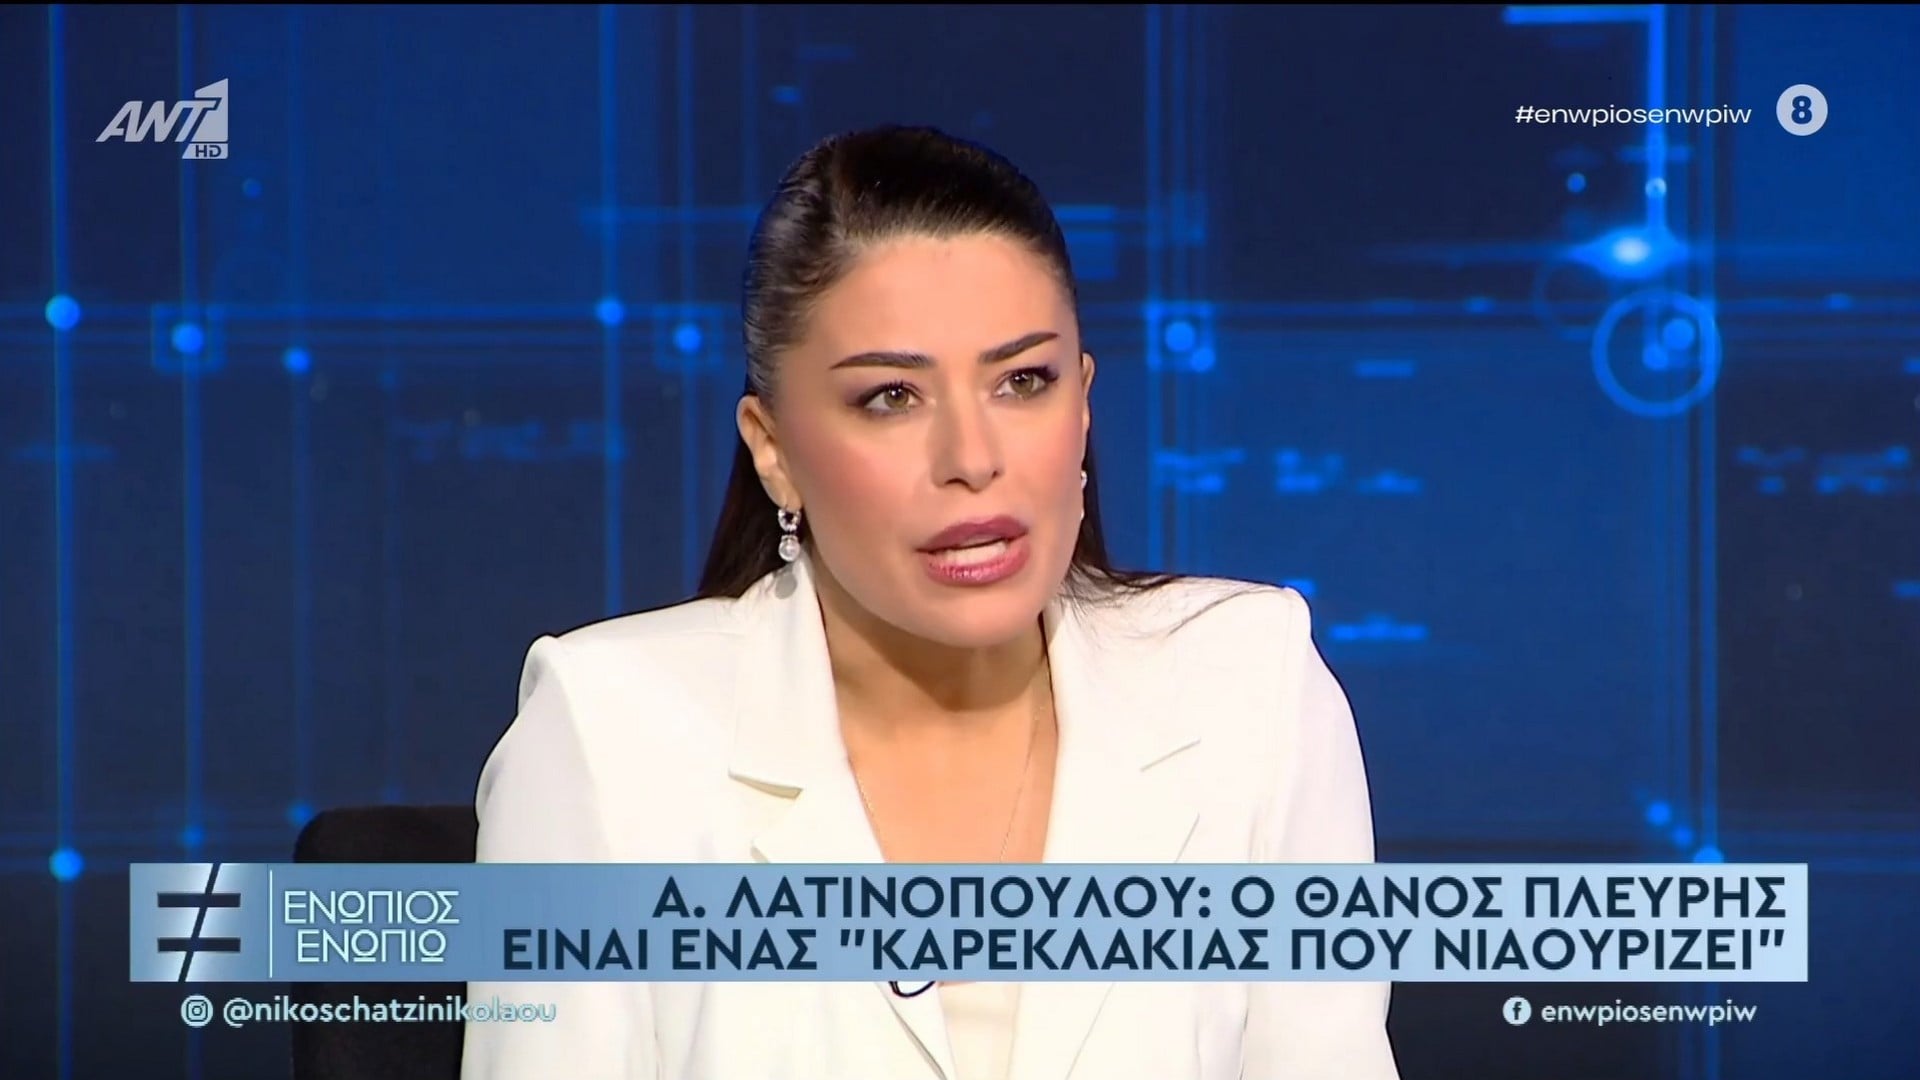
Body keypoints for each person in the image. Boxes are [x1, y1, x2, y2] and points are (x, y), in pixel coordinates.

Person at [460, 124, 1399, 1080]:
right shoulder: (609, 736)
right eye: (890, 398)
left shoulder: (1251, 690)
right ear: (773, 449)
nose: (972, 459)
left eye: (1022, 381)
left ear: (1082, 404)